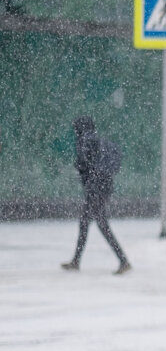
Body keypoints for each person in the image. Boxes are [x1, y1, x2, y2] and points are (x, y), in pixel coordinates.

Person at [62, 116, 131, 275]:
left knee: (99, 224)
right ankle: (76, 261)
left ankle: (123, 260)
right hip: (104, 186)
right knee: (86, 223)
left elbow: (83, 166)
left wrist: (84, 175)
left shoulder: (84, 142)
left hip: (95, 188)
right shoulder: (98, 141)